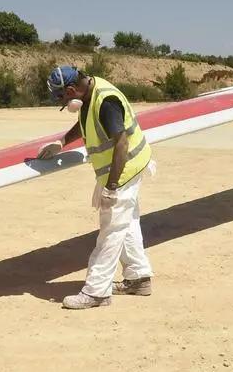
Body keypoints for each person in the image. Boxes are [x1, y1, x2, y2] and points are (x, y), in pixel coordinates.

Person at [42, 66, 155, 309]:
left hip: (124, 172)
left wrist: (112, 187)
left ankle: (96, 292)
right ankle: (139, 278)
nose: (62, 102)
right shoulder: (90, 92)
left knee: (111, 229)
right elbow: (85, 123)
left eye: (62, 97)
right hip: (129, 168)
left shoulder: (105, 102)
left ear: (72, 89)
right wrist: (61, 142)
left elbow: (122, 143)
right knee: (128, 222)